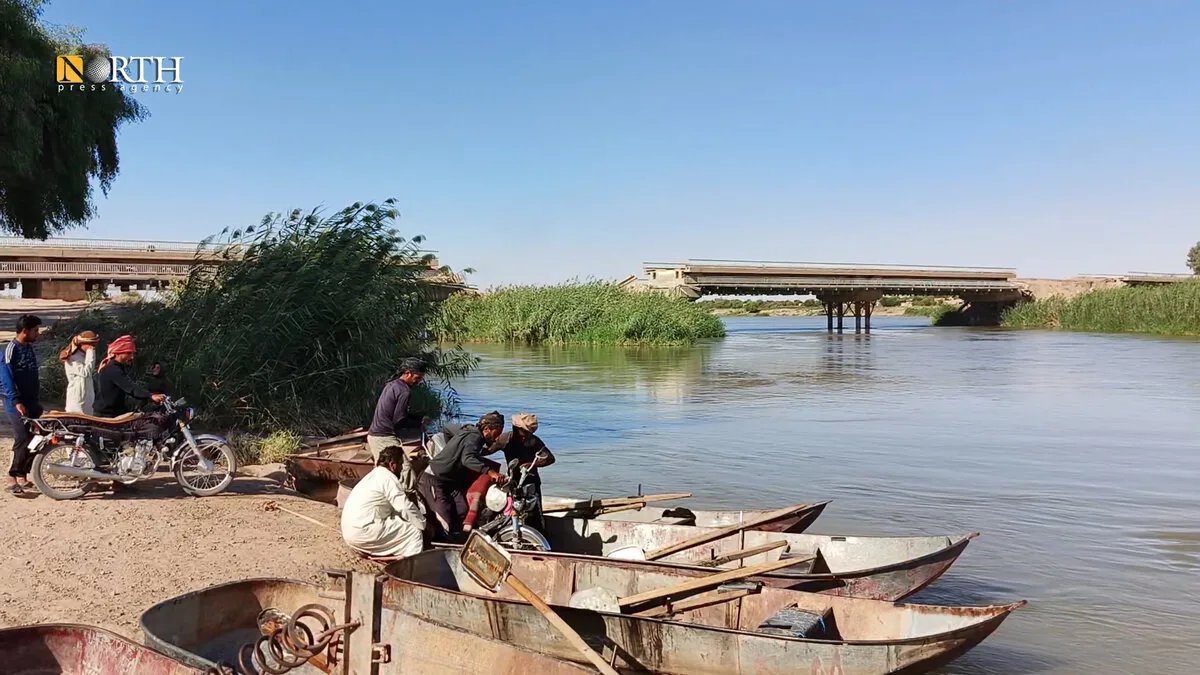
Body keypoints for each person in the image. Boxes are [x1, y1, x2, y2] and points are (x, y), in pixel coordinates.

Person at [424, 411, 506, 537]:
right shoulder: (475, 437)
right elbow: (468, 459)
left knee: (462, 510)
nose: (496, 438)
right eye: (496, 434)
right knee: (445, 522)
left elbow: (446, 428)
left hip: (450, 481)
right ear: (487, 429)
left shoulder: (467, 429)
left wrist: (452, 447)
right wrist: (490, 472)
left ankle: (460, 537)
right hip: (434, 478)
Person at [340, 445, 427, 558]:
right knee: (414, 533)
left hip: (349, 533)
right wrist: (423, 524)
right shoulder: (388, 478)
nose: (401, 469)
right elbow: (404, 507)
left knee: (400, 520)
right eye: (401, 464)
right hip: (362, 532)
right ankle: (411, 564)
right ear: (392, 465)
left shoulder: (373, 475)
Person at [366, 358, 428, 492]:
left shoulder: (392, 385)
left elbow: (397, 415)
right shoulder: (405, 391)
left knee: (382, 470)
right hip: (383, 437)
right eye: (417, 378)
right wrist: (418, 423)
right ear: (408, 373)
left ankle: (379, 494)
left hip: (375, 435)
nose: (418, 381)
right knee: (406, 469)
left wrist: (418, 418)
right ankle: (408, 497)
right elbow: (399, 420)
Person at [487, 412, 555, 532]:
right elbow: (487, 451)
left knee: (536, 518)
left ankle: (539, 536)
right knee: (505, 511)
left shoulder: (534, 441)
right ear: (515, 428)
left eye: (529, 433)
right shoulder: (505, 439)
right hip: (512, 482)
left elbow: (550, 458)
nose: (525, 436)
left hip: (531, 482)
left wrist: (533, 464)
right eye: (524, 433)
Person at [1, 315, 43, 496]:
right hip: (16, 402)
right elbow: (6, 378)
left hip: (32, 401)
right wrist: (16, 401)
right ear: (25, 331)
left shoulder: (29, 348)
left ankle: (22, 474)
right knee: (22, 438)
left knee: (36, 437)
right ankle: (12, 476)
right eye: (35, 330)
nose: (38, 334)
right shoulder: (10, 350)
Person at [94, 335, 165, 417]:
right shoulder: (112, 370)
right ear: (118, 353)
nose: (132, 357)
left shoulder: (116, 367)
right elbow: (130, 387)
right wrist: (151, 396)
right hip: (107, 415)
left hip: (115, 412)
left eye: (132, 353)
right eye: (128, 353)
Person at [60, 330, 100, 414]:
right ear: (83, 344)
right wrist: (90, 353)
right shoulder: (73, 358)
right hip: (77, 398)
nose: (93, 347)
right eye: (91, 344)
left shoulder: (85, 356)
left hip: (88, 397)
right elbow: (86, 372)